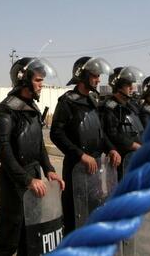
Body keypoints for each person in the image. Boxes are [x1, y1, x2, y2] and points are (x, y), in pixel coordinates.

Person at [0, 58, 64, 255]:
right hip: (13, 183)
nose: (42, 85)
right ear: (23, 80)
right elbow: (3, 150)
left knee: (31, 237)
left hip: (34, 178)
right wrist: (27, 180)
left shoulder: (31, 107)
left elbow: (38, 144)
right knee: (8, 241)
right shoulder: (6, 110)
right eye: (38, 80)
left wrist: (49, 170)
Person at [50, 56, 120, 235]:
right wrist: (81, 155)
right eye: (95, 76)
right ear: (82, 76)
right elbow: (56, 134)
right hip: (76, 166)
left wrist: (111, 149)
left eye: (99, 76)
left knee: (93, 207)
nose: (98, 80)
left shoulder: (92, 100)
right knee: (75, 212)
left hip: (95, 166)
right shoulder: (67, 101)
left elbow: (100, 132)